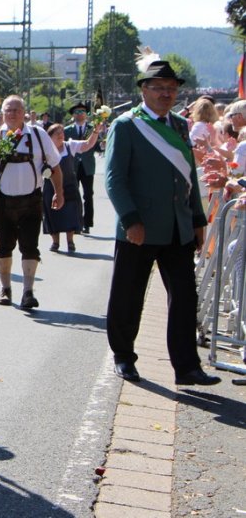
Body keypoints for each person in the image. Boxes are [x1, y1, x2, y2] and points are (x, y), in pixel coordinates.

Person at [104, 59, 220, 386]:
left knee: (184, 298)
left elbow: (189, 177)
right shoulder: (127, 125)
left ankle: (187, 367)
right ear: (144, 90)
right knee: (128, 296)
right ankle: (124, 357)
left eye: (171, 88)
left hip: (177, 227)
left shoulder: (180, 125)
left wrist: (197, 219)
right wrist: (130, 219)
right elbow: (114, 179)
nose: (166, 93)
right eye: (159, 88)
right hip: (139, 227)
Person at [0, 94, 63, 309]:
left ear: (24, 113)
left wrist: (59, 193)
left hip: (32, 200)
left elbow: (55, 167)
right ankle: (6, 288)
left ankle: (28, 292)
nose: (12, 114)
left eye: (17, 110)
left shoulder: (38, 135)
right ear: (2, 114)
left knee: (30, 246)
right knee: (3, 246)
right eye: (8, 110)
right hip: (3, 201)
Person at [43, 123, 102, 252]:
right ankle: (55, 242)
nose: (61, 135)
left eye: (62, 132)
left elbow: (88, 144)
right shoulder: (45, 150)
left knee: (71, 212)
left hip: (69, 185)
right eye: (57, 133)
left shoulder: (70, 145)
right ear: (49, 137)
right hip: (50, 186)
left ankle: (70, 241)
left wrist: (96, 131)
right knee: (52, 214)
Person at [64, 102, 98, 234]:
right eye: (77, 112)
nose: (80, 114)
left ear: (86, 114)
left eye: (82, 111)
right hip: (72, 166)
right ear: (73, 115)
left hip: (87, 166)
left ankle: (87, 223)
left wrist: (102, 144)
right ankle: (75, 222)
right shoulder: (67, 130)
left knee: (88, 195)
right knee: (73, 195)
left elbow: (97, 145)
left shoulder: (93, 128)